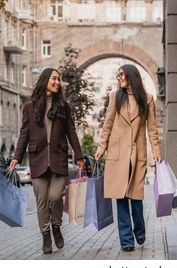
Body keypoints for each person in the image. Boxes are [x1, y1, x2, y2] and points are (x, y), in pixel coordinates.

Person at [9, 67, 85, 254]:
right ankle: (46, 235)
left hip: (58, 158)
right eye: (54, 79)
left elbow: (71, 132)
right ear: (45, 80)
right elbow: (24, 133)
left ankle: (56, 226)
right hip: (37, 158)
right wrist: (17, 157)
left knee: (55, 196)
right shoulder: (30, 106)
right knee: (42, 200)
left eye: (59, 79)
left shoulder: (64, 106)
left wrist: (79, 156)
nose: (57, 82)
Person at [95, 64, 161, 252]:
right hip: (117, 155)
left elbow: (152, 128)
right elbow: (107, 125)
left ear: (131, 75)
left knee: (136, 197)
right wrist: (101, 147)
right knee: (121, 199)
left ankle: (139, 230)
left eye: (121, 74)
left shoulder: (147, 99)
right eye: (117, 75)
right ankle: (126, 241)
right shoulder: (115, 97)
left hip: (137, 155)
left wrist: (156, 152)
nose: (119, 78)